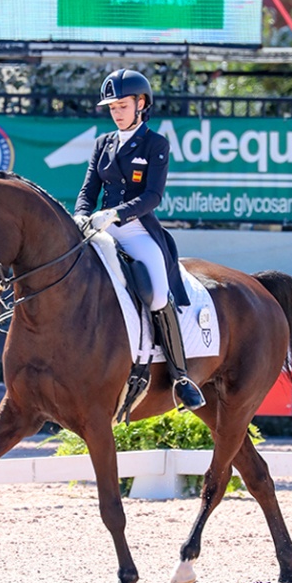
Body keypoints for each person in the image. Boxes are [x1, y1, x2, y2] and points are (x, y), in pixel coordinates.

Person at [74, 68, 205, 411]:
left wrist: (115, 214)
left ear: (141, 103)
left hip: (135, 228)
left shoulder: (155, 144)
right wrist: (81, 213)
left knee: (158, 292)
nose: (116, 113)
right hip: (98, 226)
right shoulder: (103, 143)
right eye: (112, 108)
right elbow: (89, 188)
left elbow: (152, 196)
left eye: (122, 106)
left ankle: (180, 376)